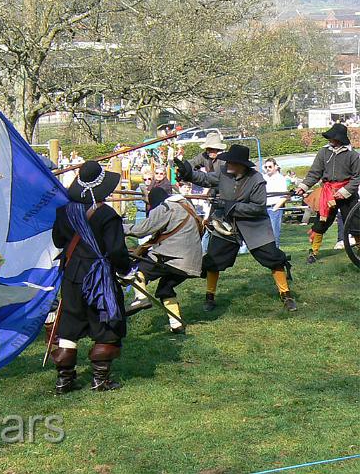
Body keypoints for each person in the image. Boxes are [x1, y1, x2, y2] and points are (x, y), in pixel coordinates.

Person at [175, 145, 297, 312]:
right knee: (213, 259)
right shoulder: (224, 171)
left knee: (273, 257)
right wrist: (187, 173)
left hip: (254, 224)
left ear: (242, 165)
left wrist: (229, 205)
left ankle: (286, 295)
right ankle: (209, 297)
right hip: (227, 224)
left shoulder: (257, 180)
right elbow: (205, 179)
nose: (227, 164)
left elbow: (258, 208)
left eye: (231, 162)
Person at [50, 161, 130, 394]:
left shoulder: (64, 211)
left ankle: (64, 381)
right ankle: (100, 379)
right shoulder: (107, 215)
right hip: (99, 276)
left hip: (72, 274)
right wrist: (126, 269)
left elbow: (58, 241)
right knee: (106, 321)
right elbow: (116, 251)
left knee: (70, 323)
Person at [123, 188, 203, 334]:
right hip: (192, 263)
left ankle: (141, 298)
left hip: (173, 258)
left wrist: (117, 227)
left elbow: (142, 229)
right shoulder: (186, 205)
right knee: (165, 289)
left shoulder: (165, 208)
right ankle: (176, 325)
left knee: (136, 270)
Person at [295, 123, 360, 263]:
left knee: (356, 224)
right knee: (321, 223)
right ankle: (313, 252)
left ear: (340, 139)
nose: (330, 140)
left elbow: (357, 177)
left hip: (348, 194)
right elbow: (314, 173)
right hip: (328, 194)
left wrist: (345, 191)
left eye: (333, 138)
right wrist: (304, 186)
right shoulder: (323, 152)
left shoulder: (353, 155)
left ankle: (359, 249)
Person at [263, 158, 288, 248]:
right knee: (264, 233)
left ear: (276, 167)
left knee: (274, 232)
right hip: (263, 207)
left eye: (270, 166)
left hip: (274, 208)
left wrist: (275, 208)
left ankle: (276, 250)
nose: (267, 169)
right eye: (266, 167)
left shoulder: (281, 179)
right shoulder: (264, 177)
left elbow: (285, 195)